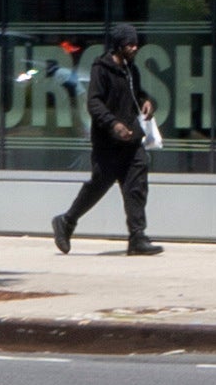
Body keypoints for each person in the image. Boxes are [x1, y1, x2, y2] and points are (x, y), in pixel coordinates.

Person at [52, 32, 160, 257]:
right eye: (129, 44)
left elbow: (136, 95)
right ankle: (66, 221)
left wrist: (147, 102)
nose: (134, 48)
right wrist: (113, 125)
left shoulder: (132, 70)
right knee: (99, 185)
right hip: (108, 142)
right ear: (119, 45)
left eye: (136, 44)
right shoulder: (101, 69)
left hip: (132, 140)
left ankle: (137, 237)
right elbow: (94, 102)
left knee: (136, 187)